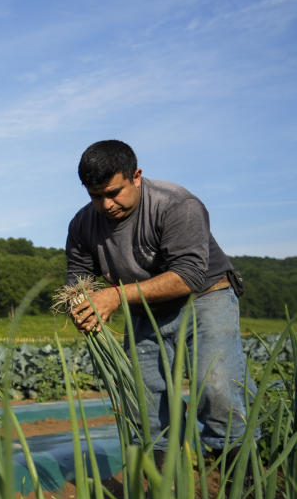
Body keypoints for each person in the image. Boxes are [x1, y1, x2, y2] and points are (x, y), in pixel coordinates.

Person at [65, 139, 255, 452]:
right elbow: (78, 278)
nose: (107, 204)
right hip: (143, 309)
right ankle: (164, 488)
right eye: (96, 196)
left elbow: (189, 276)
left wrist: (114, 296)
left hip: (204, 298)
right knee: (144, 403)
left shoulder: (177, 204)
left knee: (217, 389)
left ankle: (238, 483)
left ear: (136, 176)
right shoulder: (83, 224)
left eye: (114, 193)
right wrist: (82, 308)